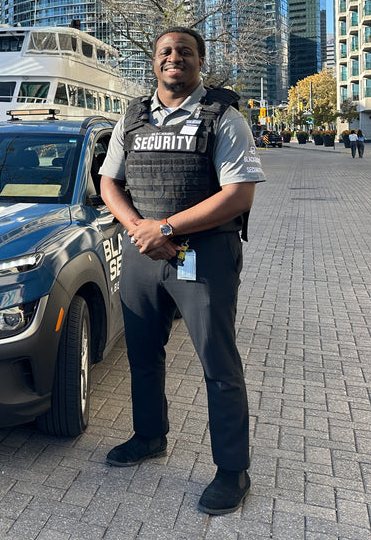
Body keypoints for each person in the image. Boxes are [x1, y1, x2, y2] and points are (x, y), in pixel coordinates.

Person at [99, 27, 265, 516]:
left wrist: (167, 227)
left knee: (218, 363)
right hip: (142, 252)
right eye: (165, 51)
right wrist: (141, 229)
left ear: (200, 61)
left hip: (204, 254)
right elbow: (109, 182)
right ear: (154, 61)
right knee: (142, 354)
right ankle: (149, 436)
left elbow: (238, 194)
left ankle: (233, 470)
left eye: (185, 52)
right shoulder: (132, 116)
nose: (174, 58)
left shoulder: (224, 117)